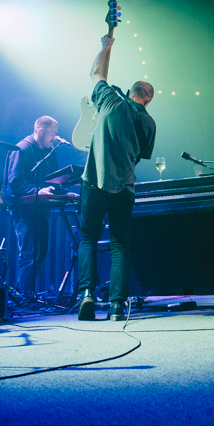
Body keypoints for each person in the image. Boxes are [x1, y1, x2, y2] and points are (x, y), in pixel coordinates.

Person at [77, 34, 156, 321]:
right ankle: (116, 306)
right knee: (120, 243)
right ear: (147, 99)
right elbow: (138, 157)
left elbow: (96, 73)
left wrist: (106, 46)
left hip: (94, 182)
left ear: (130, 92)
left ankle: (87, 294)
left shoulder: (110, 100)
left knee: (88, 238)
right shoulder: (149, 123)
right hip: (124, 189)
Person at [4, 116, 61, 300]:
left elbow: (54, 179)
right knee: (29, 252)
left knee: (41, 252)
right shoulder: (22, 149)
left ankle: (26, 293)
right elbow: (15, 181)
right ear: (40, 130)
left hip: (42, 209)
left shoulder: (49, 152)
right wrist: (37, 191)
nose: (54, 138)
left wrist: (65, 190)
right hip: (24, 210)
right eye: (52, 133)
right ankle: (25, 295)